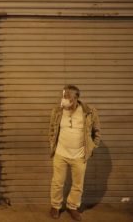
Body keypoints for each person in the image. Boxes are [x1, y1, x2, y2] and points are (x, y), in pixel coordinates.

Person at [48, 85, 101, 221]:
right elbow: (52, 130)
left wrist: (92, 147)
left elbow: (97, 131)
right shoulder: (57, 111)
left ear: (75, 98)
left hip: (79, 155)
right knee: (57, 182)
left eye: (67, 97)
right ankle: (55, 206)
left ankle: (72, 207)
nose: (64, 99)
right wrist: (52, 145)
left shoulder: (88, 112)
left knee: (78, 184)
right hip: (60, 154)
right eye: (63, 96)